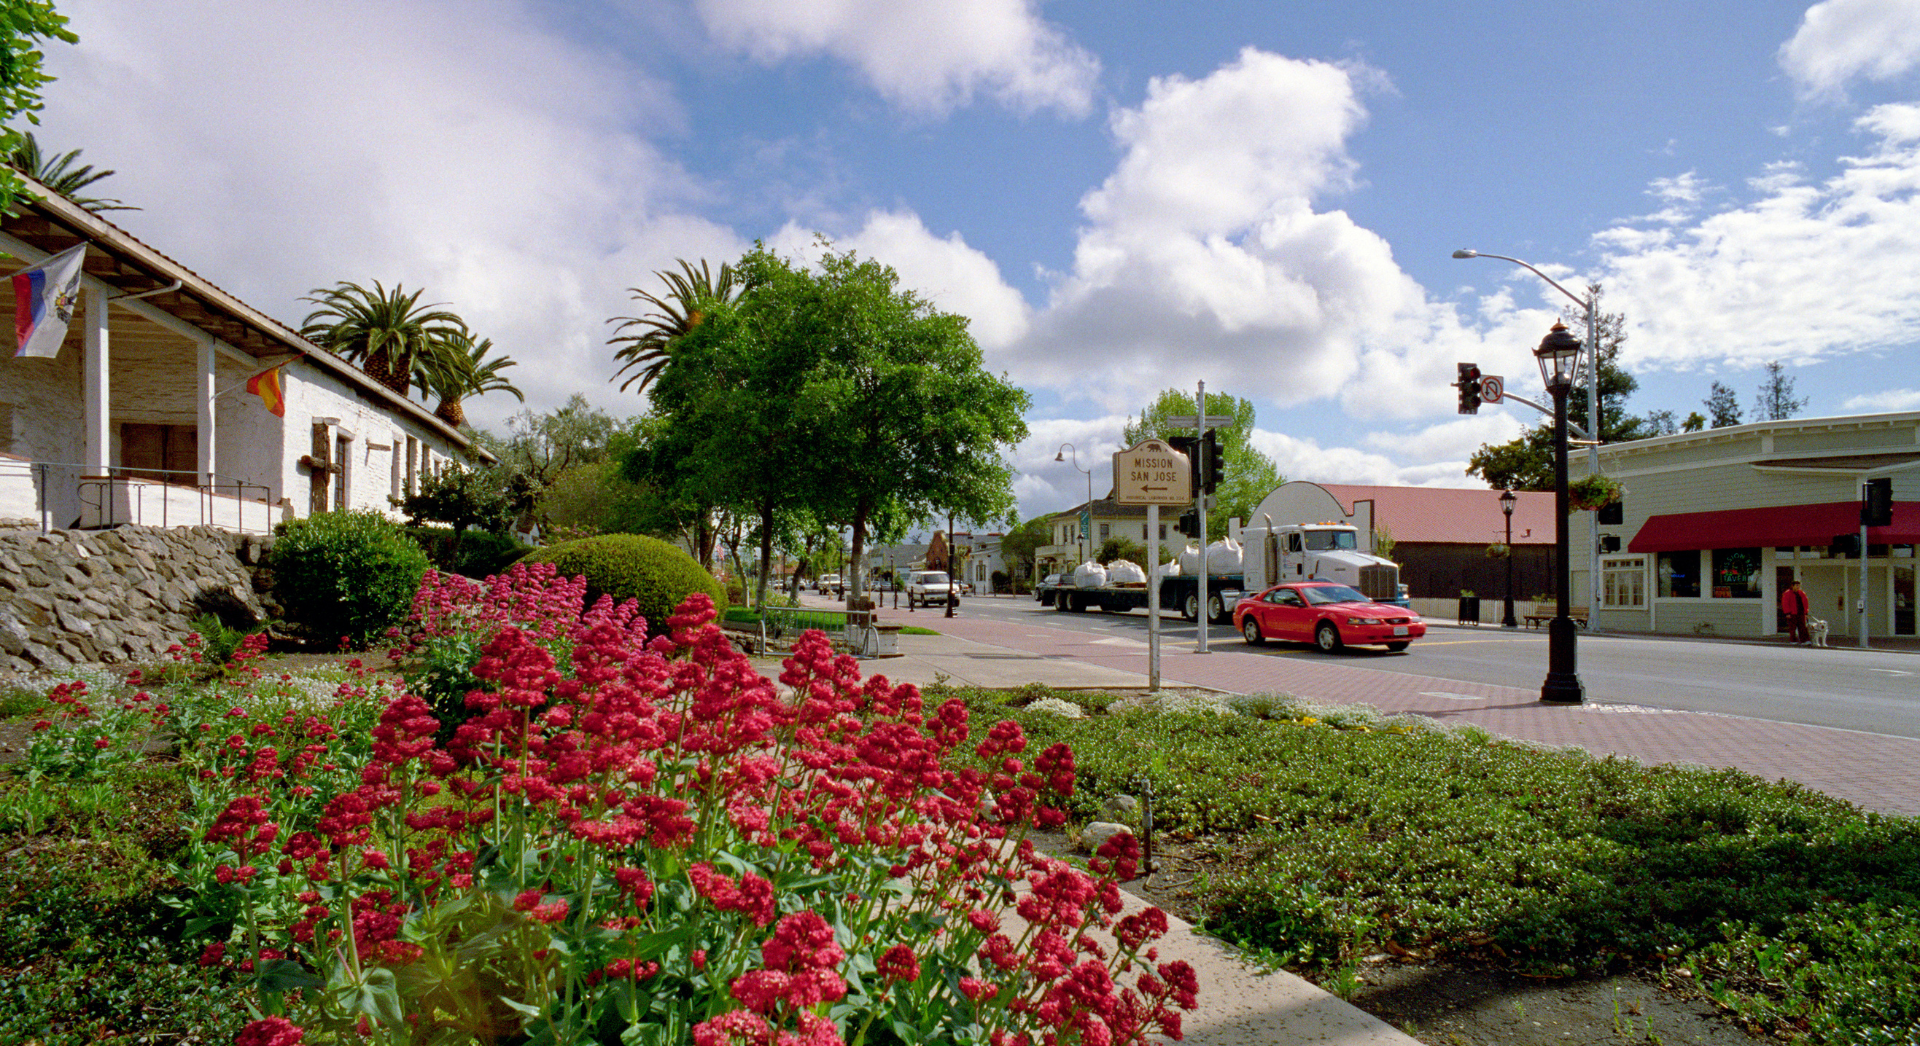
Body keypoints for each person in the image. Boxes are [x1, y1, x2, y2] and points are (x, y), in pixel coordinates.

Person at [1781, 579, 1811, 645]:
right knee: (1792, 628)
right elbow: (1785, 603)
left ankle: (1804, 640)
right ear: (1792, 586)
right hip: (1792, 613)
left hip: (1801, 613)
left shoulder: (1802, 593)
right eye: (1796, 585)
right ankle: (1793, 640)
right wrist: (1787, 613)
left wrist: (1806, 612)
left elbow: (1805, 603)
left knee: (1803, 627)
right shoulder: (1787, 593)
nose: (1798, 587)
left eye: (1799, 585)